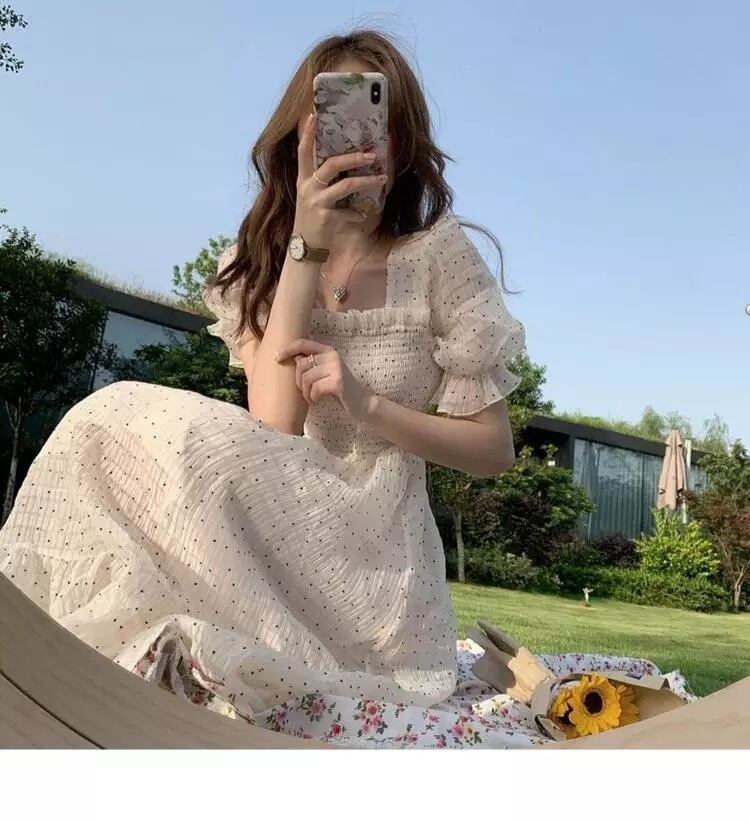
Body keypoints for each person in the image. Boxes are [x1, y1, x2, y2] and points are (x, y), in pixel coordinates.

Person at [0, 28, 690, 749]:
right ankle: (40, 659)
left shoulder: (439, 257)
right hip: (285, 515)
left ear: (403, 143)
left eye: (378, 124)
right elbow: (272, 423)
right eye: (336, 123)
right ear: (301, 139)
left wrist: (369, 405)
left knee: (135, 420)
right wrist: (306, 243)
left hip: (381, 546)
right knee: (109, 417)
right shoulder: (263, 257)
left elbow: (493, 449)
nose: (361, 146)